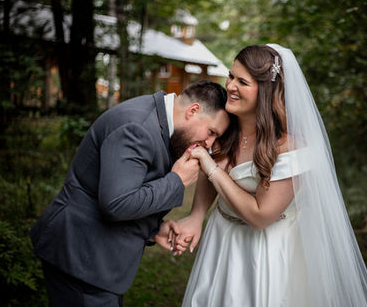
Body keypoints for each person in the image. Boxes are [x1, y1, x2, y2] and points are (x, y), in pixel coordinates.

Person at [168, 45, 367, 306]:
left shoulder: (290, 146)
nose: (231, 86)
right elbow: (214, 174)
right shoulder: (226, 125)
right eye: (231, 76)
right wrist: (197, 215)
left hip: (265, 250)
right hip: (221, 238)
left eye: (243, 82)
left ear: (266, 91)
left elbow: (260, 216)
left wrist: (209, 167)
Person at [29, 80, 230, 307]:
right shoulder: (137, 127)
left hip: (95, 261)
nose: (209, 144)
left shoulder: (161, 123)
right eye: (211, 132)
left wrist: (154, 228)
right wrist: (177, 181)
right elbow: (117, 203)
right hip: (82, 258)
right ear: (193, 110)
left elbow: (131, 189)